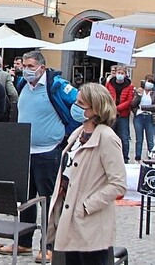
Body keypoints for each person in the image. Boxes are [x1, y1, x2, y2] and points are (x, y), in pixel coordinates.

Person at [1, 50, 77, 261]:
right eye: (24, 66)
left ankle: (52, 245)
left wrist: (71, 136)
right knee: (25, 200)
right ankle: (24, 242)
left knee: (50, 202)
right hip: (26, 150)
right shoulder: (23, 85)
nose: (26, 70)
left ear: (42, 68)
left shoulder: (56, 86)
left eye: (31, 66)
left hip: (49, 152)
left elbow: (80, 104)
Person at [46, 83, 126, 265]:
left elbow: (118, 184)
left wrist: (87, 206)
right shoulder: (78, 133)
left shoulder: (107, 138)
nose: (75, 107)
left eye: (81, 103)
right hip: (67, 215)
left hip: (90, 223)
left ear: (95, 108)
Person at [104, 65, 134, 163]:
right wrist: (112, 108)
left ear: (125, 75)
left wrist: (118, 108)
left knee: (124, 137)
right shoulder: (109, 84)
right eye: (118, 73)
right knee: (109, 136)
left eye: (122, 73)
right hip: (111, 114)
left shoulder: (129, 86)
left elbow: (129, 100)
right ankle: (108, 157)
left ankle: (125, 158)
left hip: (123, 115)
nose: (120, 75)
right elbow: (106, 96)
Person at [132, 74, 155, 162]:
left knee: (150, 139)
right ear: (144, 81)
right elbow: (133, 104)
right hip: (139, 117)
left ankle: (152, 157)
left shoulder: (154, 93)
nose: (149, 83)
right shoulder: (139, 91)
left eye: (151, 82)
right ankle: (138, 158)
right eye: (148, 81)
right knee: (139, 139)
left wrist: (143, 107)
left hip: (150, 117)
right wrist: (138, 96)